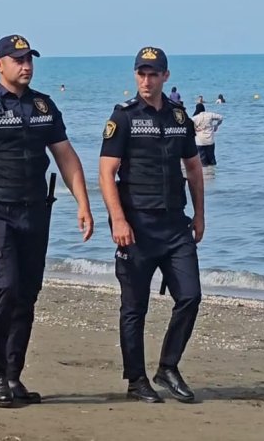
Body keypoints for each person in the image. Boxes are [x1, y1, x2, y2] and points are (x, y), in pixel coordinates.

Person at [0, 35, 94, 408]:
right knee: (4, 288)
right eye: (18, 60)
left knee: (27, 294)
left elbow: (66, 157)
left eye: (29, 60)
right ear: (0, 65)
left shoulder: (43, 106)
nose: (25, 66)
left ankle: (13, 375)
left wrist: (84, 204)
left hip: (34, 213)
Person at [98, 46, 205, 405]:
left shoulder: (178, 117)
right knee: (134, 308)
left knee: (190, 296)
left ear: (165, 77)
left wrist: (200, 215)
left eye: (153, 73)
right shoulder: (123, 117)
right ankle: (136, 379)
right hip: (136, 227)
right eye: (141, 73)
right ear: (135, 76)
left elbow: (193, 167)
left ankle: (168, 367)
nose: (147, 80)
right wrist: (118, 219)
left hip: (176, 225)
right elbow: (106, 172)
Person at [192, 102, 224, 167]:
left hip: (199, 142)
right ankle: (213, 175)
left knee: (203, 162)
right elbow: (221, 117)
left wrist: (194, 129)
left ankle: (206, 175)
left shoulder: (195, 118)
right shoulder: (210, 115)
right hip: (210, 141)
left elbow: (188, 124)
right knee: (212, 160)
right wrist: (216, 125)